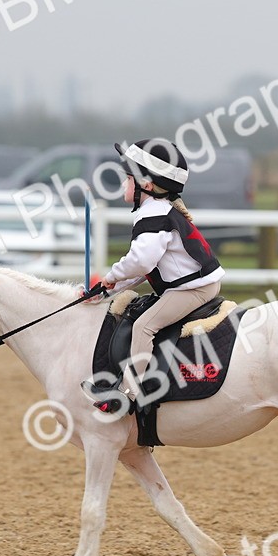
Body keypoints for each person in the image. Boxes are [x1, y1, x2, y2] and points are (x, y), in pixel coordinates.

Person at [82, 138, 225, 411]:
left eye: (128, 178)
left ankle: (128, 395)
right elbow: (143, 271)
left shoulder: (153, 215)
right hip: (192, 286)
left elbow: (140, 262)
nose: (124, 183)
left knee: (144, 326)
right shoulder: (156, 211)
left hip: (191, 290)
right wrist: (106, 288)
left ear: (146, 185)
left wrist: (111, 275)